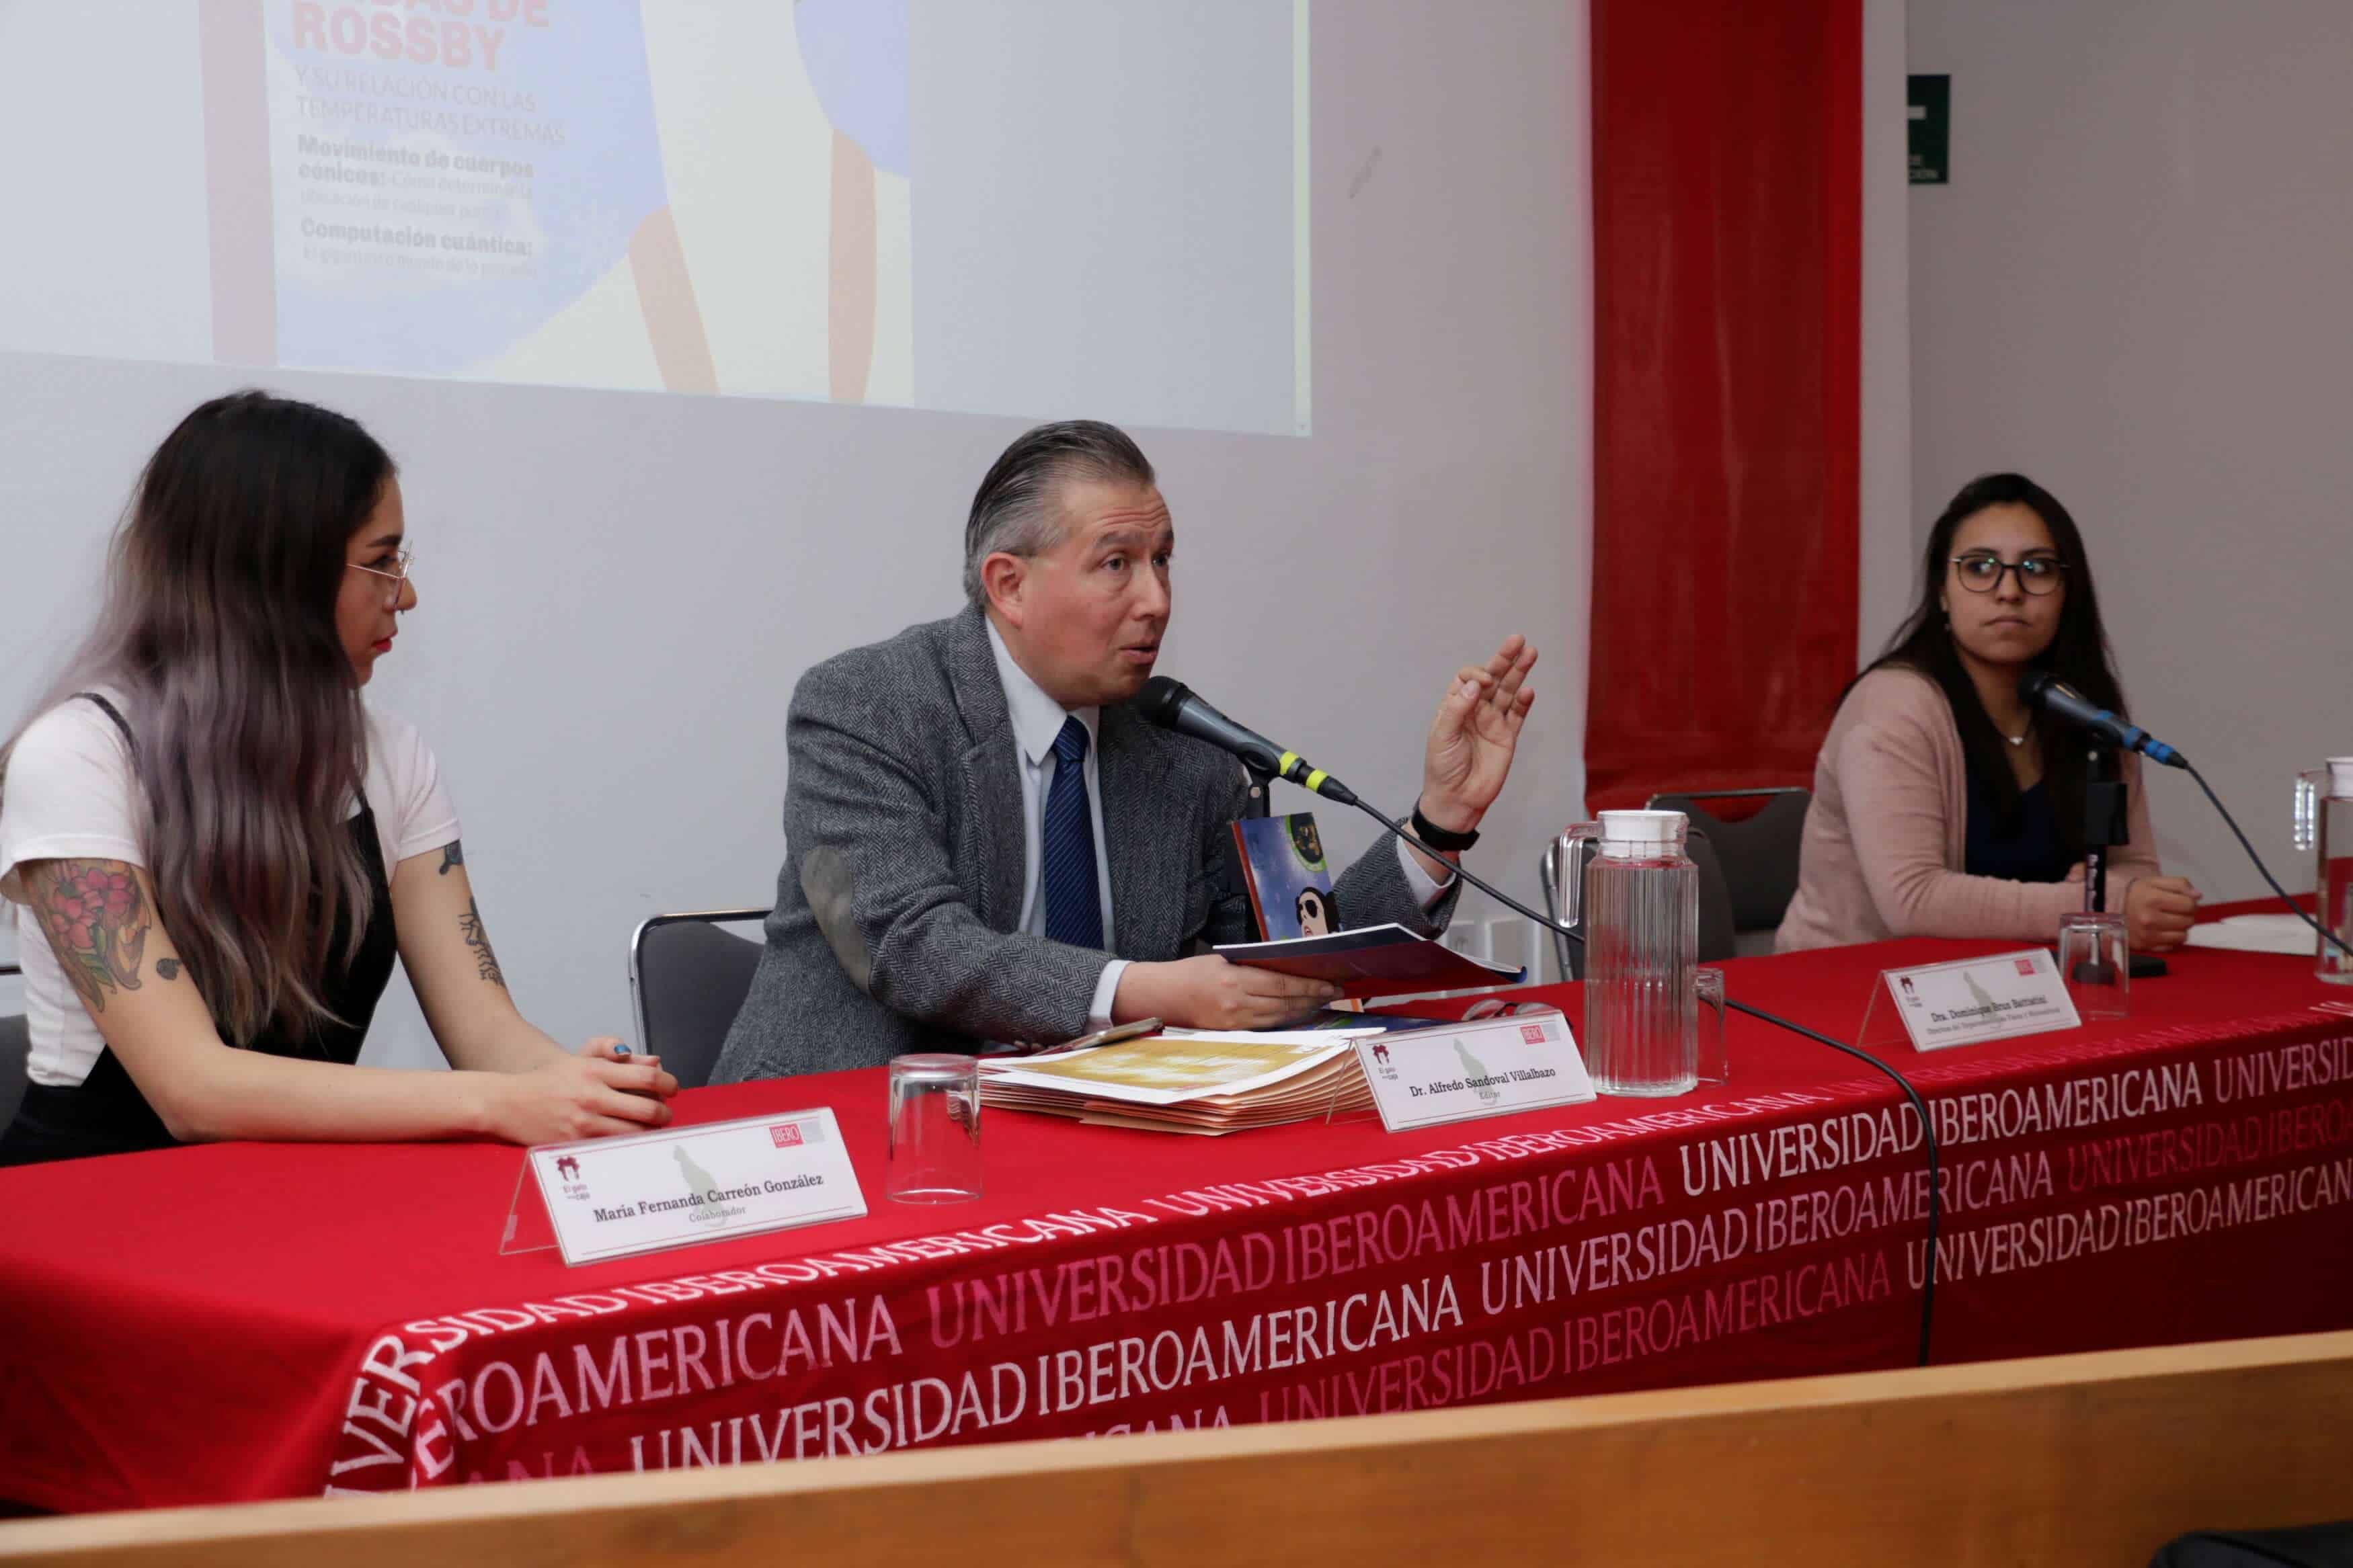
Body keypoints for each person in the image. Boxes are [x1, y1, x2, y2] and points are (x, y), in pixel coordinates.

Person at [715, 420, 1538, 1081]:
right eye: (1117, 563)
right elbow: (904, 947)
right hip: (857, 1138)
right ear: (1008, 585)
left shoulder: (1183, 756)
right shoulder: (866, 706)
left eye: (1162, 560)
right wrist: (1147, 990)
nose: (1156, 600)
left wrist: (1441, 820)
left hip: (1100, 1136)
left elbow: (1288, 964)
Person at [0, 393, 676, 1165]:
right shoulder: (76, 755)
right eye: (381, 562)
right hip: (98, 1212)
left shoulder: (391, 757)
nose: (406, 594)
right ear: (271, 575)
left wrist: (581, 1086)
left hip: (306, 1198)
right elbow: (191, 1090)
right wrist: (504, 1101)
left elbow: (487, 1033)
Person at [1778, 472, 2198, 953]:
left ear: (2067, 590)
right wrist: (2096, 904)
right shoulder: (1892, 707)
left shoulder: (2085, 714)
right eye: (1979, 568)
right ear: (1941, 591)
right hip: (1853, 993)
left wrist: (2121, 895)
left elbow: (2136, 871)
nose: (2009, 591)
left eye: (2037, 569)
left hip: (2021, 991)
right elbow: (1913, 899)